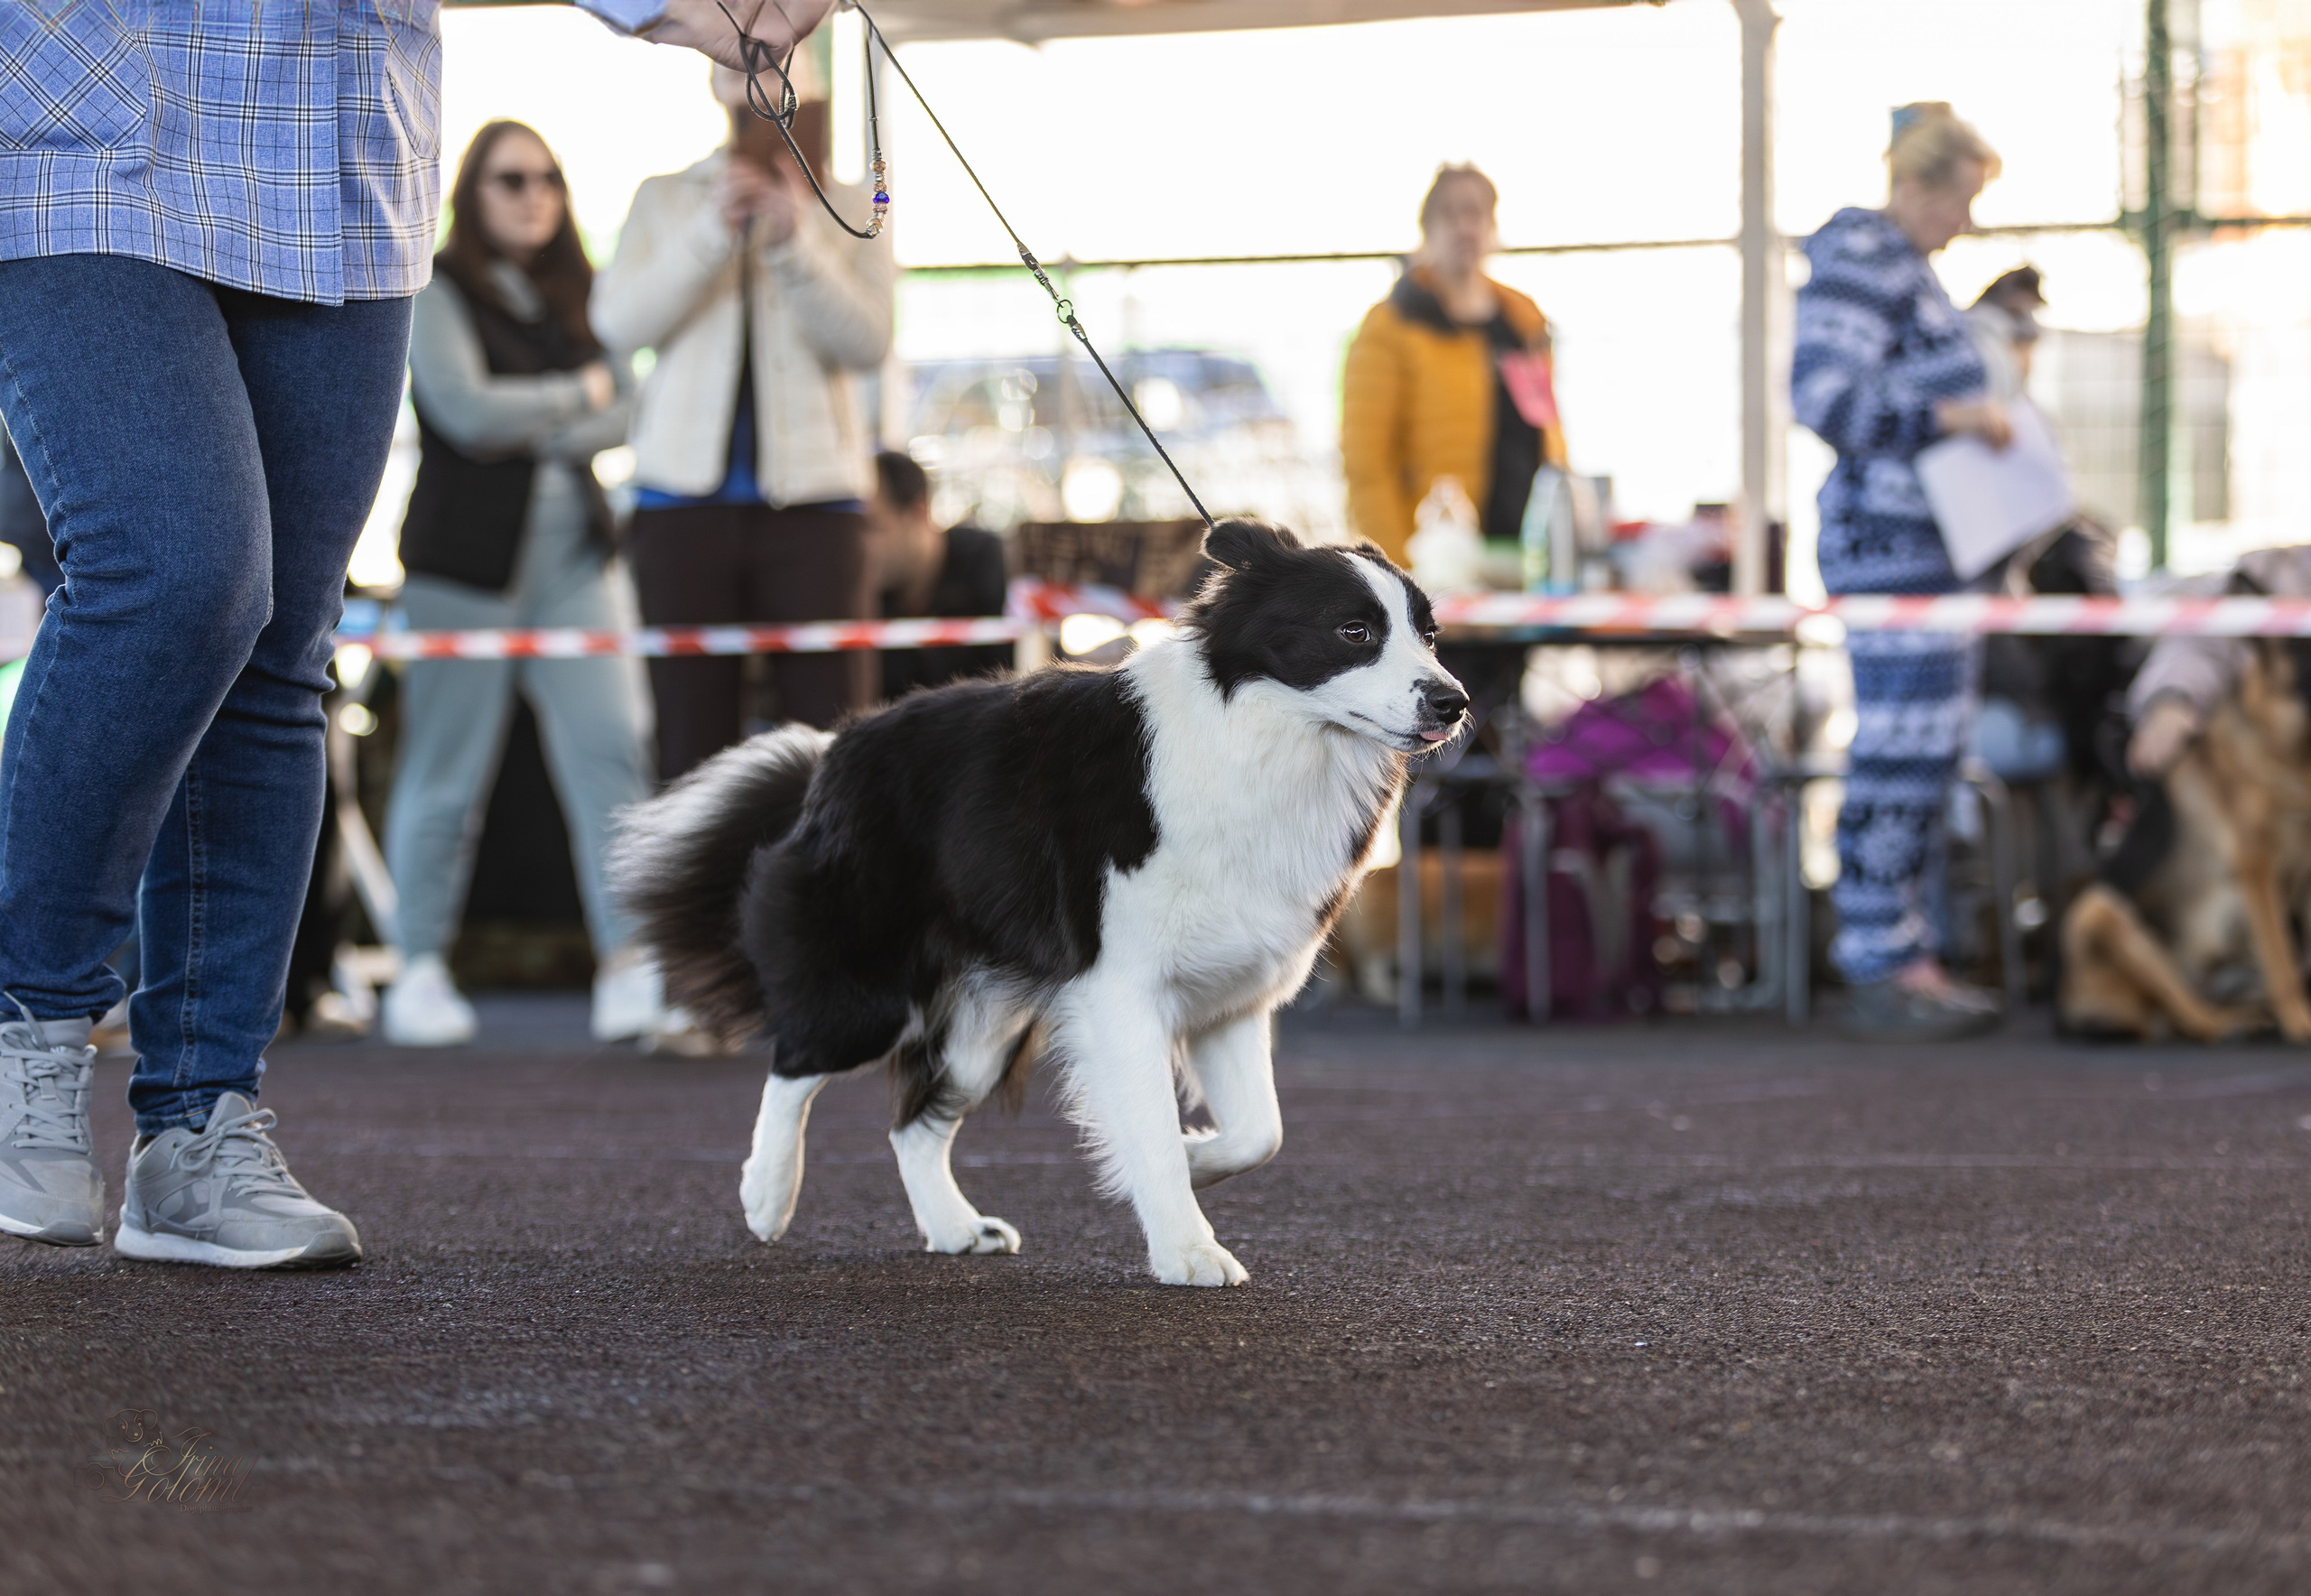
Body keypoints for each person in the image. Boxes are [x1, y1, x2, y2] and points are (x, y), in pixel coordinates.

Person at [0, 1, 832, 1266]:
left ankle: (199, 1127)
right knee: (180, 575)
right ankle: (27, 1028)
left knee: (280, 649)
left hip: (338, 157)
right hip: (82, 124)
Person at [376, 122, 664, 1051]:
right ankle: (416, 965)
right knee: (444, 772)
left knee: (612, 752)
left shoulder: (583, 288)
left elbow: (628, 409)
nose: (533, 193)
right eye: (510, 178)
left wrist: (541, 414)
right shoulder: (435, 283)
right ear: (473, 189)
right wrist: (572, 399)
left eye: (548, 178)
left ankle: (630, 961)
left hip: (578, 559)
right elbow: (461, 410)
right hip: (464, 564)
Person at [594, 65, 895, 781]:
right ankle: (702, 896)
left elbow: (868, 341)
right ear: (716, 88)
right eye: (742, 70)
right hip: (679, 504)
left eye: (778, 67)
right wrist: (710, 232)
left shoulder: (855, 206)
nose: (760, 87)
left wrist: (797, 243)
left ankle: (825, 892)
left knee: (829, 735)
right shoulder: (666, 198)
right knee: (690, 738)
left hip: (817, 506)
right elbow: (616, 322)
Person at [1791, 102, 2012, 1042]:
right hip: (1890, 548)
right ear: (1915, 185)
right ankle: (1881, 957)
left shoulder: (1905, 271)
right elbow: (1823, 395)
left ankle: (1905, 951)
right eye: (1957, 199)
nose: (1964, 222)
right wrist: (1954, 418)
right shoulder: (1862, 260)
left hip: (1930, 550)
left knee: (1922, 755)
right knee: (1896, 750)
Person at [1341, 163, 1568, 567]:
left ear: (1492, 225)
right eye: (1450, 213)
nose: (1464, 226)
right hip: (1437, 553)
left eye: (1476, 212)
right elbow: (1366, 464)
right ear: (1427, 228)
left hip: (1528, 547)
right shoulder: (1390, 326)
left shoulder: (1523, 319)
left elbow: (1548, 430)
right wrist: (1393, 565)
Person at [868, 451, 1011, 701]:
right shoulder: (865, 600)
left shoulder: (988, 567)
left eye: (874, 528)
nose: (862, 548)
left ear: (919, 512)